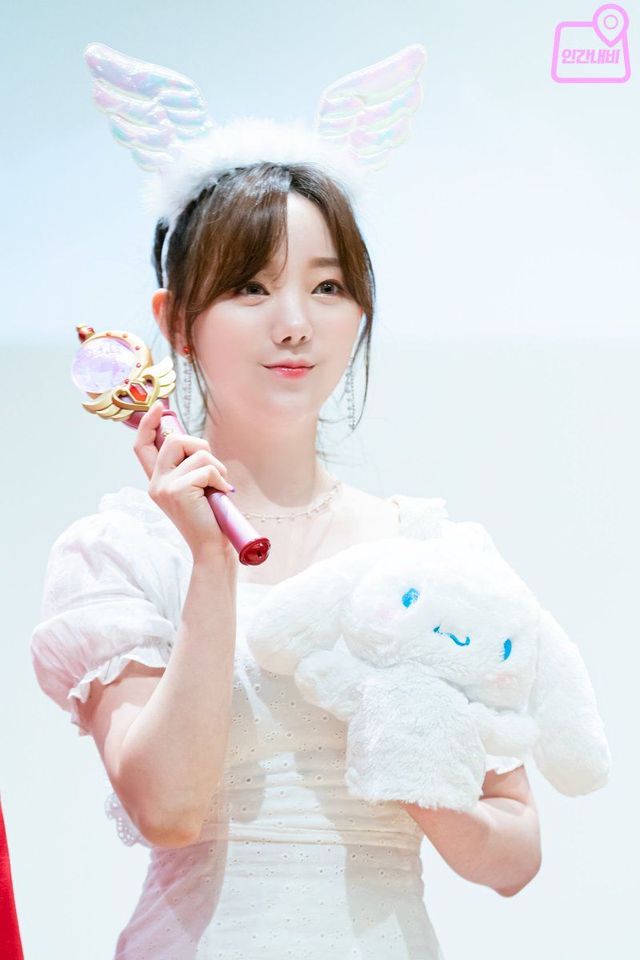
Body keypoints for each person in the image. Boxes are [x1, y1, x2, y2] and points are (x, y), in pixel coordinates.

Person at [30, 43, 541, 960]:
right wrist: (210, 562)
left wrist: (422, 780)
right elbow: (168, 810)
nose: (295, 322)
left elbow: (514, 856)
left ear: (360, 311)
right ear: (175, 321)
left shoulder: (434, 554)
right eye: (250, 287)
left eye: (328, 287)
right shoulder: (122, 551)